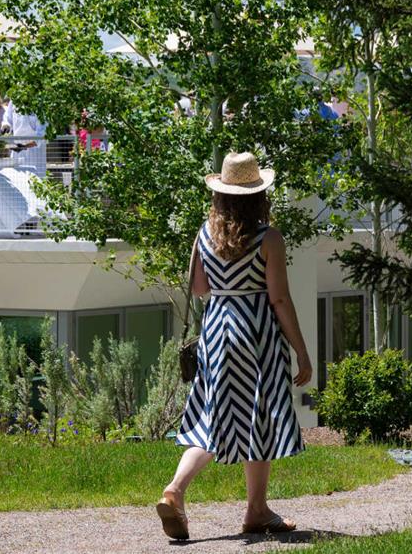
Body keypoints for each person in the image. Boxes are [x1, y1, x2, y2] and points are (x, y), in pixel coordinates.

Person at [156, 152, 311, 541]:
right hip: (256, 333)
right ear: (259, 195)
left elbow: (198, 289)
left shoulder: (204, 235)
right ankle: (255, 509)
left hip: (217, 331)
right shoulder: (268, 238)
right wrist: (302, 351)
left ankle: (177, 489)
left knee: (214, 417)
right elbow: (279, 299)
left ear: (221, 196)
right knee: (257, 417)